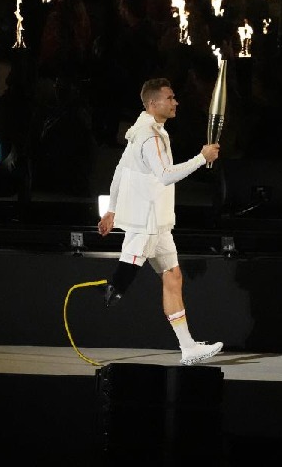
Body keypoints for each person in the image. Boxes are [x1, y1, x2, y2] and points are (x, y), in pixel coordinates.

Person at [97, 77, 223, 366]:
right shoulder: (150, 137)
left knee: (173, 277)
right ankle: (112, 288)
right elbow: (166, 175)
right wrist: (201, 159)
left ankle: (188, 347)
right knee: (124, 277)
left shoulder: (143, 129)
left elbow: (120, 171)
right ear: (153, 104)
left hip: (159, 220)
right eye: (170, 98)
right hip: (148, 219)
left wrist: (111, 210)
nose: (175, 102)